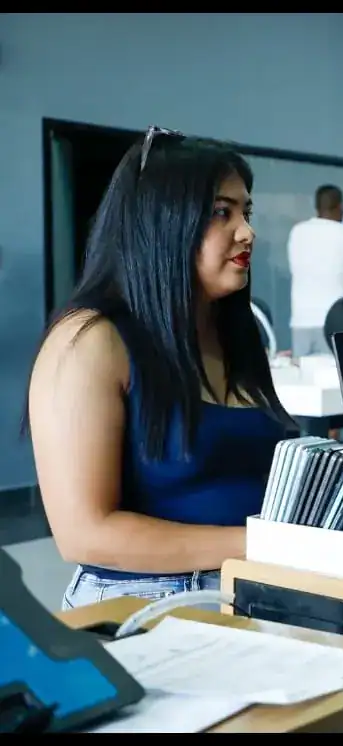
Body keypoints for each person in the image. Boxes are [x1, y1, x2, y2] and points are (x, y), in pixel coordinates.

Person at [26, 127, 294, 609]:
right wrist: (268, 544)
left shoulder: (234, 333)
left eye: (246, 212)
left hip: (263, 586)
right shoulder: (90, 341)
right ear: (163, 222)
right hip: (149, 598)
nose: (247, 231)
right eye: (221, 212)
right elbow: (85, 533)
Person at [286, 184, 343, 356]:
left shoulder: (297, 232)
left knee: (305, 378)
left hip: (301, 320)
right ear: (340, 207)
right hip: (336, 322)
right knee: (334, 378)